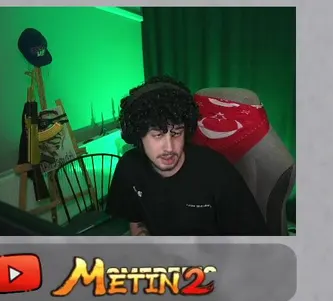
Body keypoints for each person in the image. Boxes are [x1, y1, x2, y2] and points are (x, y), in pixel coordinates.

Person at [106, 75, 268, 236]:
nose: (169, 147)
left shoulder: (218, 172)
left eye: (176, 133)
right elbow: (135, 220)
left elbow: (251, 239)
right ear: (139, 136)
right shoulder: (129, 168)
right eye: (157, 135)